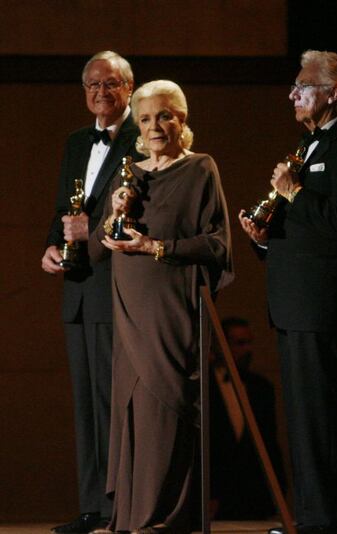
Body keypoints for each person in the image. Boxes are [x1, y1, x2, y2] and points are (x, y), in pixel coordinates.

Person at [239, 50, 337, 534]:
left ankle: (325, 523)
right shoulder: (310, 145)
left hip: (319, 304)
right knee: (301, 419)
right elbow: (302, 230)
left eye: (303, 86)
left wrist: (295, 193)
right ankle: (310, 519)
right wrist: (264, 240)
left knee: (320, 419)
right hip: (293, 302)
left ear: (335, 91)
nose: (292, 94)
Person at [88, 79, 233, 534]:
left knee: (166, 407)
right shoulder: (129, 171)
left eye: (164, 116)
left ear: (182, 120)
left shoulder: (200, 168)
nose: (155, 127)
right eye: (146, 118)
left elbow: (217, 244)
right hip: (128, 306)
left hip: (170, 309)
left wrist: (156, 246)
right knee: (132, 408)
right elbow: (98, 245)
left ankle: (164, 519)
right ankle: (129, 518)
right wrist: (113, 214)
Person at [41, 51, 141, 534]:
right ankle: (90, 506)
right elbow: (64, 208)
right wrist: (49, 247)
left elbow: (139, 212)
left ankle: (117, 505)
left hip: (114, 286)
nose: (100, 92)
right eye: (92, 85)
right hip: (77, 288)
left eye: (111, 83)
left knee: (110, 401)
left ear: (128, 87)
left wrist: (91, 233)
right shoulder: (76, 141)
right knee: (85, 404)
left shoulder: (143, 138)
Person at [210, 317, 286, 520]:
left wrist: (279, 494)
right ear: (219, 345)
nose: (248, 349)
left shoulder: (261, 388)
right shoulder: (202, 387)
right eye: (240, 343)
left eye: (249, 342)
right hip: (216, 498)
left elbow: (269, 442)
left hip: (253, 495)